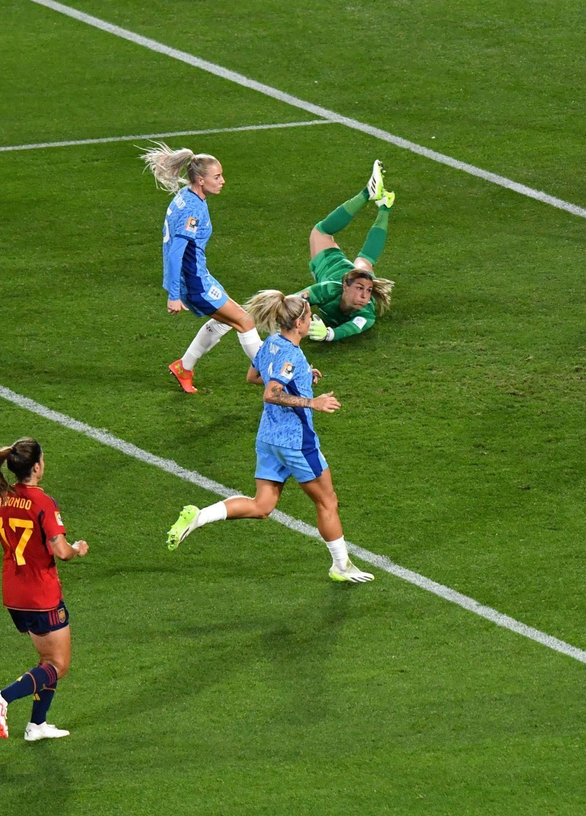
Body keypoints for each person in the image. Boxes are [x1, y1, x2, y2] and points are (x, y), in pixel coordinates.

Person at [165, 289, 374, 584]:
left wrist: (302, 377)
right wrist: (311, 401)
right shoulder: (291, 354)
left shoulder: (273, 342)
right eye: (309, 317)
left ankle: (199, 517)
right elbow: (271, 392)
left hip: (268, 438)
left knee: (262, 506)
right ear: (299, 323)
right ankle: (341, 566)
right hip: (296, 442)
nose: (311, 320)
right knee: (328, 502)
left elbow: (253, 376)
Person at [0, 438, 89, 741]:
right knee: (58, 665)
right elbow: (61, 551)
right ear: (36, 467)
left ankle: (37, 725)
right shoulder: (42, 503)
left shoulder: (1, 501)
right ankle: (2, 697)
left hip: (15, 597)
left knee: (47, 661)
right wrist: (77, 549)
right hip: (42, 597)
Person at [141, 143, 262, 393]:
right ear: (200, 180)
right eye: (217, 177)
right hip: (195, 282)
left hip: (198, 275)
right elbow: (176, 253)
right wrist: (174, 295)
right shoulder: (193, 209)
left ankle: (184, 367)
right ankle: (273, 374)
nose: (223, 181)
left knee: (226, 321)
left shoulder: (185, 196)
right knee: (245, 321)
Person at [299, 159, 396, 345]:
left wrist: (329, 334)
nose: (365, 297)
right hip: (332, 267)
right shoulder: (327, 289)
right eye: (360, 289)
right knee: (362, 261)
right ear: (345, 287)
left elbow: (352, 328)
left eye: (368, 291)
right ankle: (379, 201)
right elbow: (294, 301)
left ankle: (380, 202)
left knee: (323, 234)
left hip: (342, 273)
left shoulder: (367, 314)